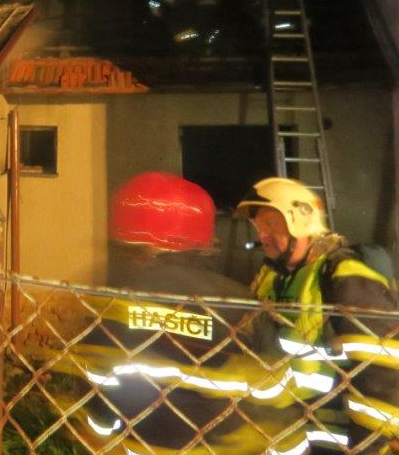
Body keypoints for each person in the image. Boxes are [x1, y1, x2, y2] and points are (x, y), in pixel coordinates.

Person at [69, 171, 296, 455]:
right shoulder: (238, 302)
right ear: (203, 238)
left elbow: (99, 384)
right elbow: (277, 392)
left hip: (140, 446)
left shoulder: (109, 300)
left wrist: (100, 434)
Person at [237, 177, 399, 454]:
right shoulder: (271, 277)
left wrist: (369, 445)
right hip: (291, 429)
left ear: (300, 222)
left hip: (342, 438)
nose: (262, 236)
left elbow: (384, 364)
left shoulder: (343, 273)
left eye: (271, 225)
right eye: (259, 227)